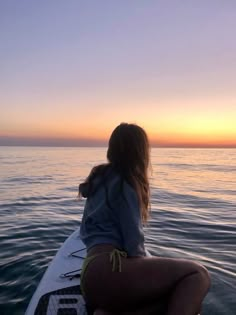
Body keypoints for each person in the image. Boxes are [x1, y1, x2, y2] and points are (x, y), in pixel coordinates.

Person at [79, 123, 210, 315]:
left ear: (112, 148)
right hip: (112, 271)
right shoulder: (126, 182)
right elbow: (134, 245)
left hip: (90, 276)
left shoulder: (98, 179)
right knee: (198, 274)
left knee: (175, 297)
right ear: (140, 152)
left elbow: (84, 231)